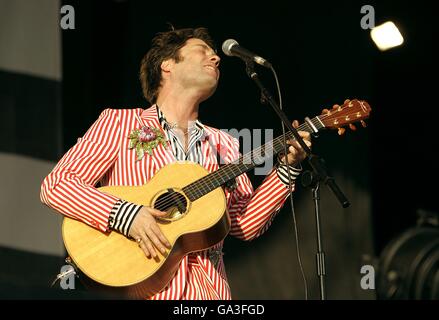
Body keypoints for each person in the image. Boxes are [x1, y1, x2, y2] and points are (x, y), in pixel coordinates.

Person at [40, 27, 311, 300]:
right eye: (202, 51)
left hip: (208, 293)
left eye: (215, 54)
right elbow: (57, 185)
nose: (216, 58)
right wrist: (126, 215)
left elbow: (244, 223)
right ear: (166, 65)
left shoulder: (223, 144)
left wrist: (287, 168)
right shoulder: (121, 123)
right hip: (145, 289)